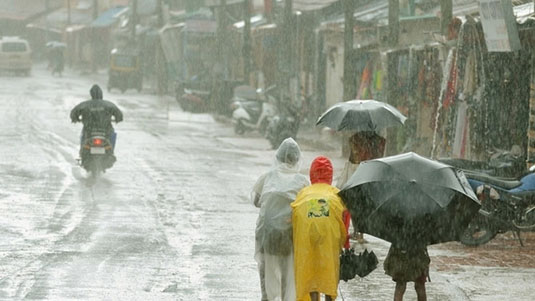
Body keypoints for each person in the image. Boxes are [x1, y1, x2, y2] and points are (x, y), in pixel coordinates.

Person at [252, 138, 310, 301]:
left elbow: (256, 201)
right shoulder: (303, 182)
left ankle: (266, 297)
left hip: (267, 233)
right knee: (287, 271)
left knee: (264, 268)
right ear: (297, 159)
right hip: (288, 234)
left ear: (277, 157)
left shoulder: (267, 177)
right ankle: (286, 297)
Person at [291, 156, 349, 301]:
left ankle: (314, 298)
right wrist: (345, 243)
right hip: (329, 238)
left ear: (312, 174)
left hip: (307, 238)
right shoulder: (337, 194)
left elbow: (294, 218)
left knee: (310, 270)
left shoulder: (303, 193)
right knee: (329, 269)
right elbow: (345, 219)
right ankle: (329, 297)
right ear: (330, 174)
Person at [336, 131, 386, 243]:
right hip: (369, 175)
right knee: (364, 205)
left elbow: (353, 159)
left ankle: (357, 231)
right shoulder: (379, 141)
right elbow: (379, 158)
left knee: (355, 204)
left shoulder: (354, 139)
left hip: (357, 176)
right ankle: (360, 232)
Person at [70, 84, 123, 159]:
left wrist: (75, 119)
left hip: (89, 131)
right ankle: (111, 153)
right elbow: (119, 115)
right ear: (101, 94)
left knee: (83, 136)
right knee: (113, 135)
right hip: (106, 131)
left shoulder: (85, 105)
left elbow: (74, 113)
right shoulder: (109, 105)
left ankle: (82, 154)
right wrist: (118, 119)